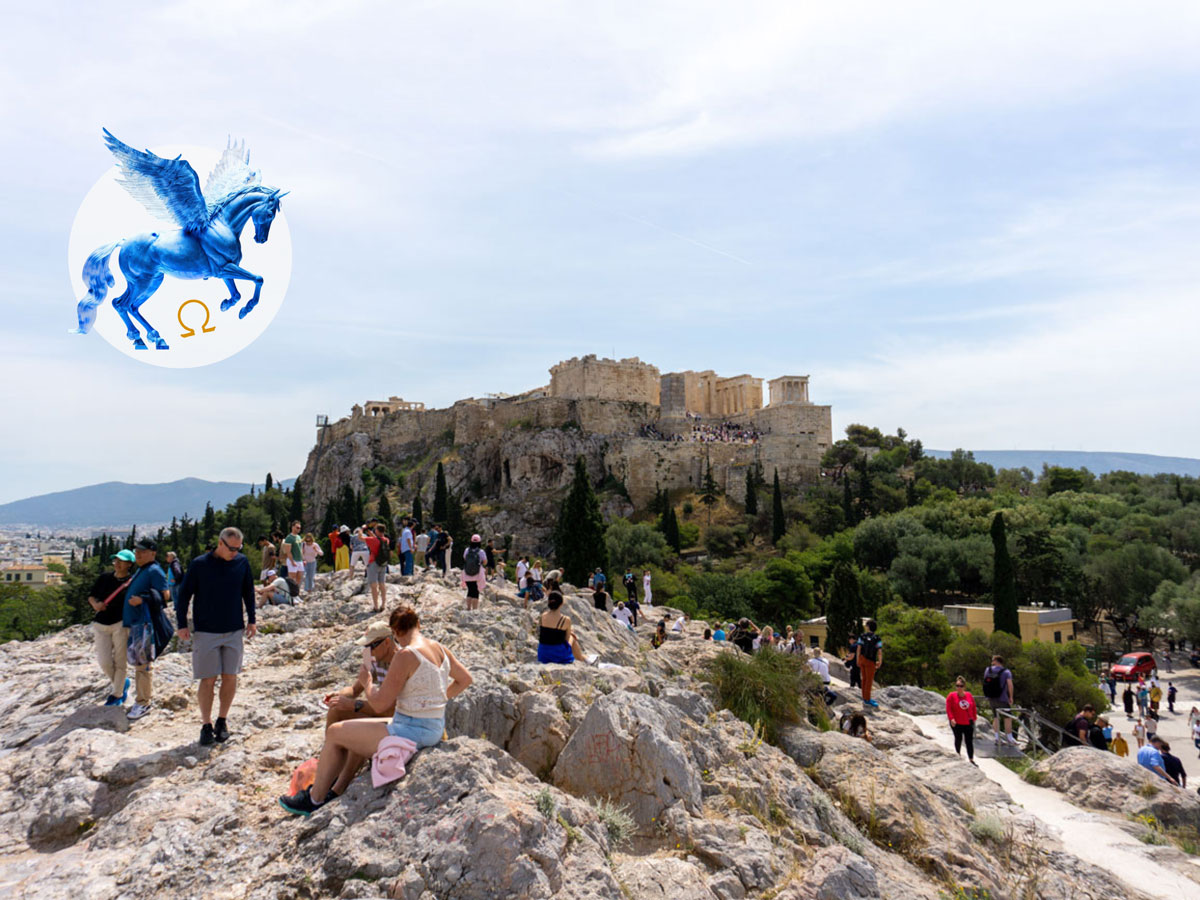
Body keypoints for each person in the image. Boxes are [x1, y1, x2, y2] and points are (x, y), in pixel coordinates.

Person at [280, 606, 473, 816]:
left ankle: (314, 800)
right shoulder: (439, 648)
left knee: (335, 732)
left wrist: (368, 682)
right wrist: (437, 699)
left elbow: (380, 704)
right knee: (349, 728)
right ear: (418, 624)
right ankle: (330, 785)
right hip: (433, 727)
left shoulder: (406, 654)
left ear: (395, 632)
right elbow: (465, 679)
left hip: (410, 730)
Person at [175, 526, 257, 746]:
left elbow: (248, 591)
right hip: (206, 630)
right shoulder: (199, 565)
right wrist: (182, 624)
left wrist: (252, 620)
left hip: (233, 629)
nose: (235, 553)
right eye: (231, 548)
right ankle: (206, 724)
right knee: (208, 678)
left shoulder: (241, 562)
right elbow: (184, 595)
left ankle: (222, 720)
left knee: (230, 675)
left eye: (238, 548)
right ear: (220, 543)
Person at [320, 620, 400, 795]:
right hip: (381, 714)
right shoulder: (374, 659)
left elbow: (390, 710)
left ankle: (338, 785)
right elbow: (355, 689)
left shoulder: (400, 662)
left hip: (397, 721)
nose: (368, 651)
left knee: (359, 727)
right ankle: (331, 764)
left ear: (387, 642)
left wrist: (355, 705)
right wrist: (339, 695)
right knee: (337, 709)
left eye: (372, 645)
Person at [123, 537, 167, 721]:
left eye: (142, 551)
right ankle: (141, 699)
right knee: (138, 663)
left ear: (153, 553)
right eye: (136, 551)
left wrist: (143, 600)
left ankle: (143, 702)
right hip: (136, 623)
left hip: (144, 624)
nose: (138, 554)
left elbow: (165, 596)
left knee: (143, 665)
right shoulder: (143, 570)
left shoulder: (154, 571)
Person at [88, 548, 135, 706]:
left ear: (129, 564)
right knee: (105, 661)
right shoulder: (105, 577)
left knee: (120, 661)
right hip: (101, 623)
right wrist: (95, 605)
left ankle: (117, 694)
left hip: (120, 624)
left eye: (121, 561)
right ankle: (122, 683)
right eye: (116, 560)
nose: (117, 563)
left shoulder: (132, 582)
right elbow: (91, 595)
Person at [537, 592, 585, 664]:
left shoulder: (542, 616)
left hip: (543, 654)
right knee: (572, 637)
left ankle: (583, 658)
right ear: (561, 604)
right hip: (558, 655)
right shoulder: (565, 619)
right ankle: (582, 659)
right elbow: (566, 639)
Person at [982, 655, 1016, 746]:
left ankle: (997, 738)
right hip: (1002, 698)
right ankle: (1010, 738)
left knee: (996, 717)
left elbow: (985, 682)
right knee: (1007, 717)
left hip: (991, 698)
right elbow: (1010, 685)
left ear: (996, 661)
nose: (991, 662)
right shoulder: (1006, 672)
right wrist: (1011, 697)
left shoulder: (987, 670)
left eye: (992, 660)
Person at [946, 676, 978, 765]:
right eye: (957, 686)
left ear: (964, 687)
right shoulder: (951, 696)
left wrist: (974, 718)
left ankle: (971, 758)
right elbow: (949, 709)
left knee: (969, 741)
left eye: (961, 686)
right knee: (958, 739)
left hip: (968, 722)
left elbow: (973, 707)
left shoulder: (969, 695)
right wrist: (951, 719)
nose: (959, 688)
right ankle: (958, 754)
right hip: (957, 722)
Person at [855, 620, 883, 708]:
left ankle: (864, 697)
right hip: (871, 661)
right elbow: (879, 651)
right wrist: (880, 661)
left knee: (864, 679)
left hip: (862, 659)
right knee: (869, 680)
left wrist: (857, 659)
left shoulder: (862, 636)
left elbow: (858, 648)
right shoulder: (877, 638)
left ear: (868, 627)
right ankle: (867, 699)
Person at [364, 524, 390, 613]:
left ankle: (376, 606)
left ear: (378, 531)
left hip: (373, 563)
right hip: (383, 564)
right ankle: (383, 605)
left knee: (374, 585)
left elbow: (361, 538)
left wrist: (360, 530)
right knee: (382, 584)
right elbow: (378, 540)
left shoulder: (373, 540)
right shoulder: (386, 540)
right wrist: (370, 533)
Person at [461, 534, 487, 610]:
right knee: (475, 592)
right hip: (477, 574)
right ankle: (475, 609)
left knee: (470, 591)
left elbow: (465, 559)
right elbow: (485, 562)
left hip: (467, 573)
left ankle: (468, 608)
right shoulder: (481, 551)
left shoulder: (467, 550)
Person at [282, 521, 305, 589]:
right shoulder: (289, 538)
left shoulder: (298, 537)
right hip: (293, 560)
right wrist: (292, 561)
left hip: (299, 560)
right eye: (297, 527)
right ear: (292, 527)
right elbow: (288, 551)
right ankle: (290, 594)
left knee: (299, 578)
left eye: (299, 528)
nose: (298, 529)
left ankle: (296, 593)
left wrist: (303, 559)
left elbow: (300, 549)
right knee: (292, 579)